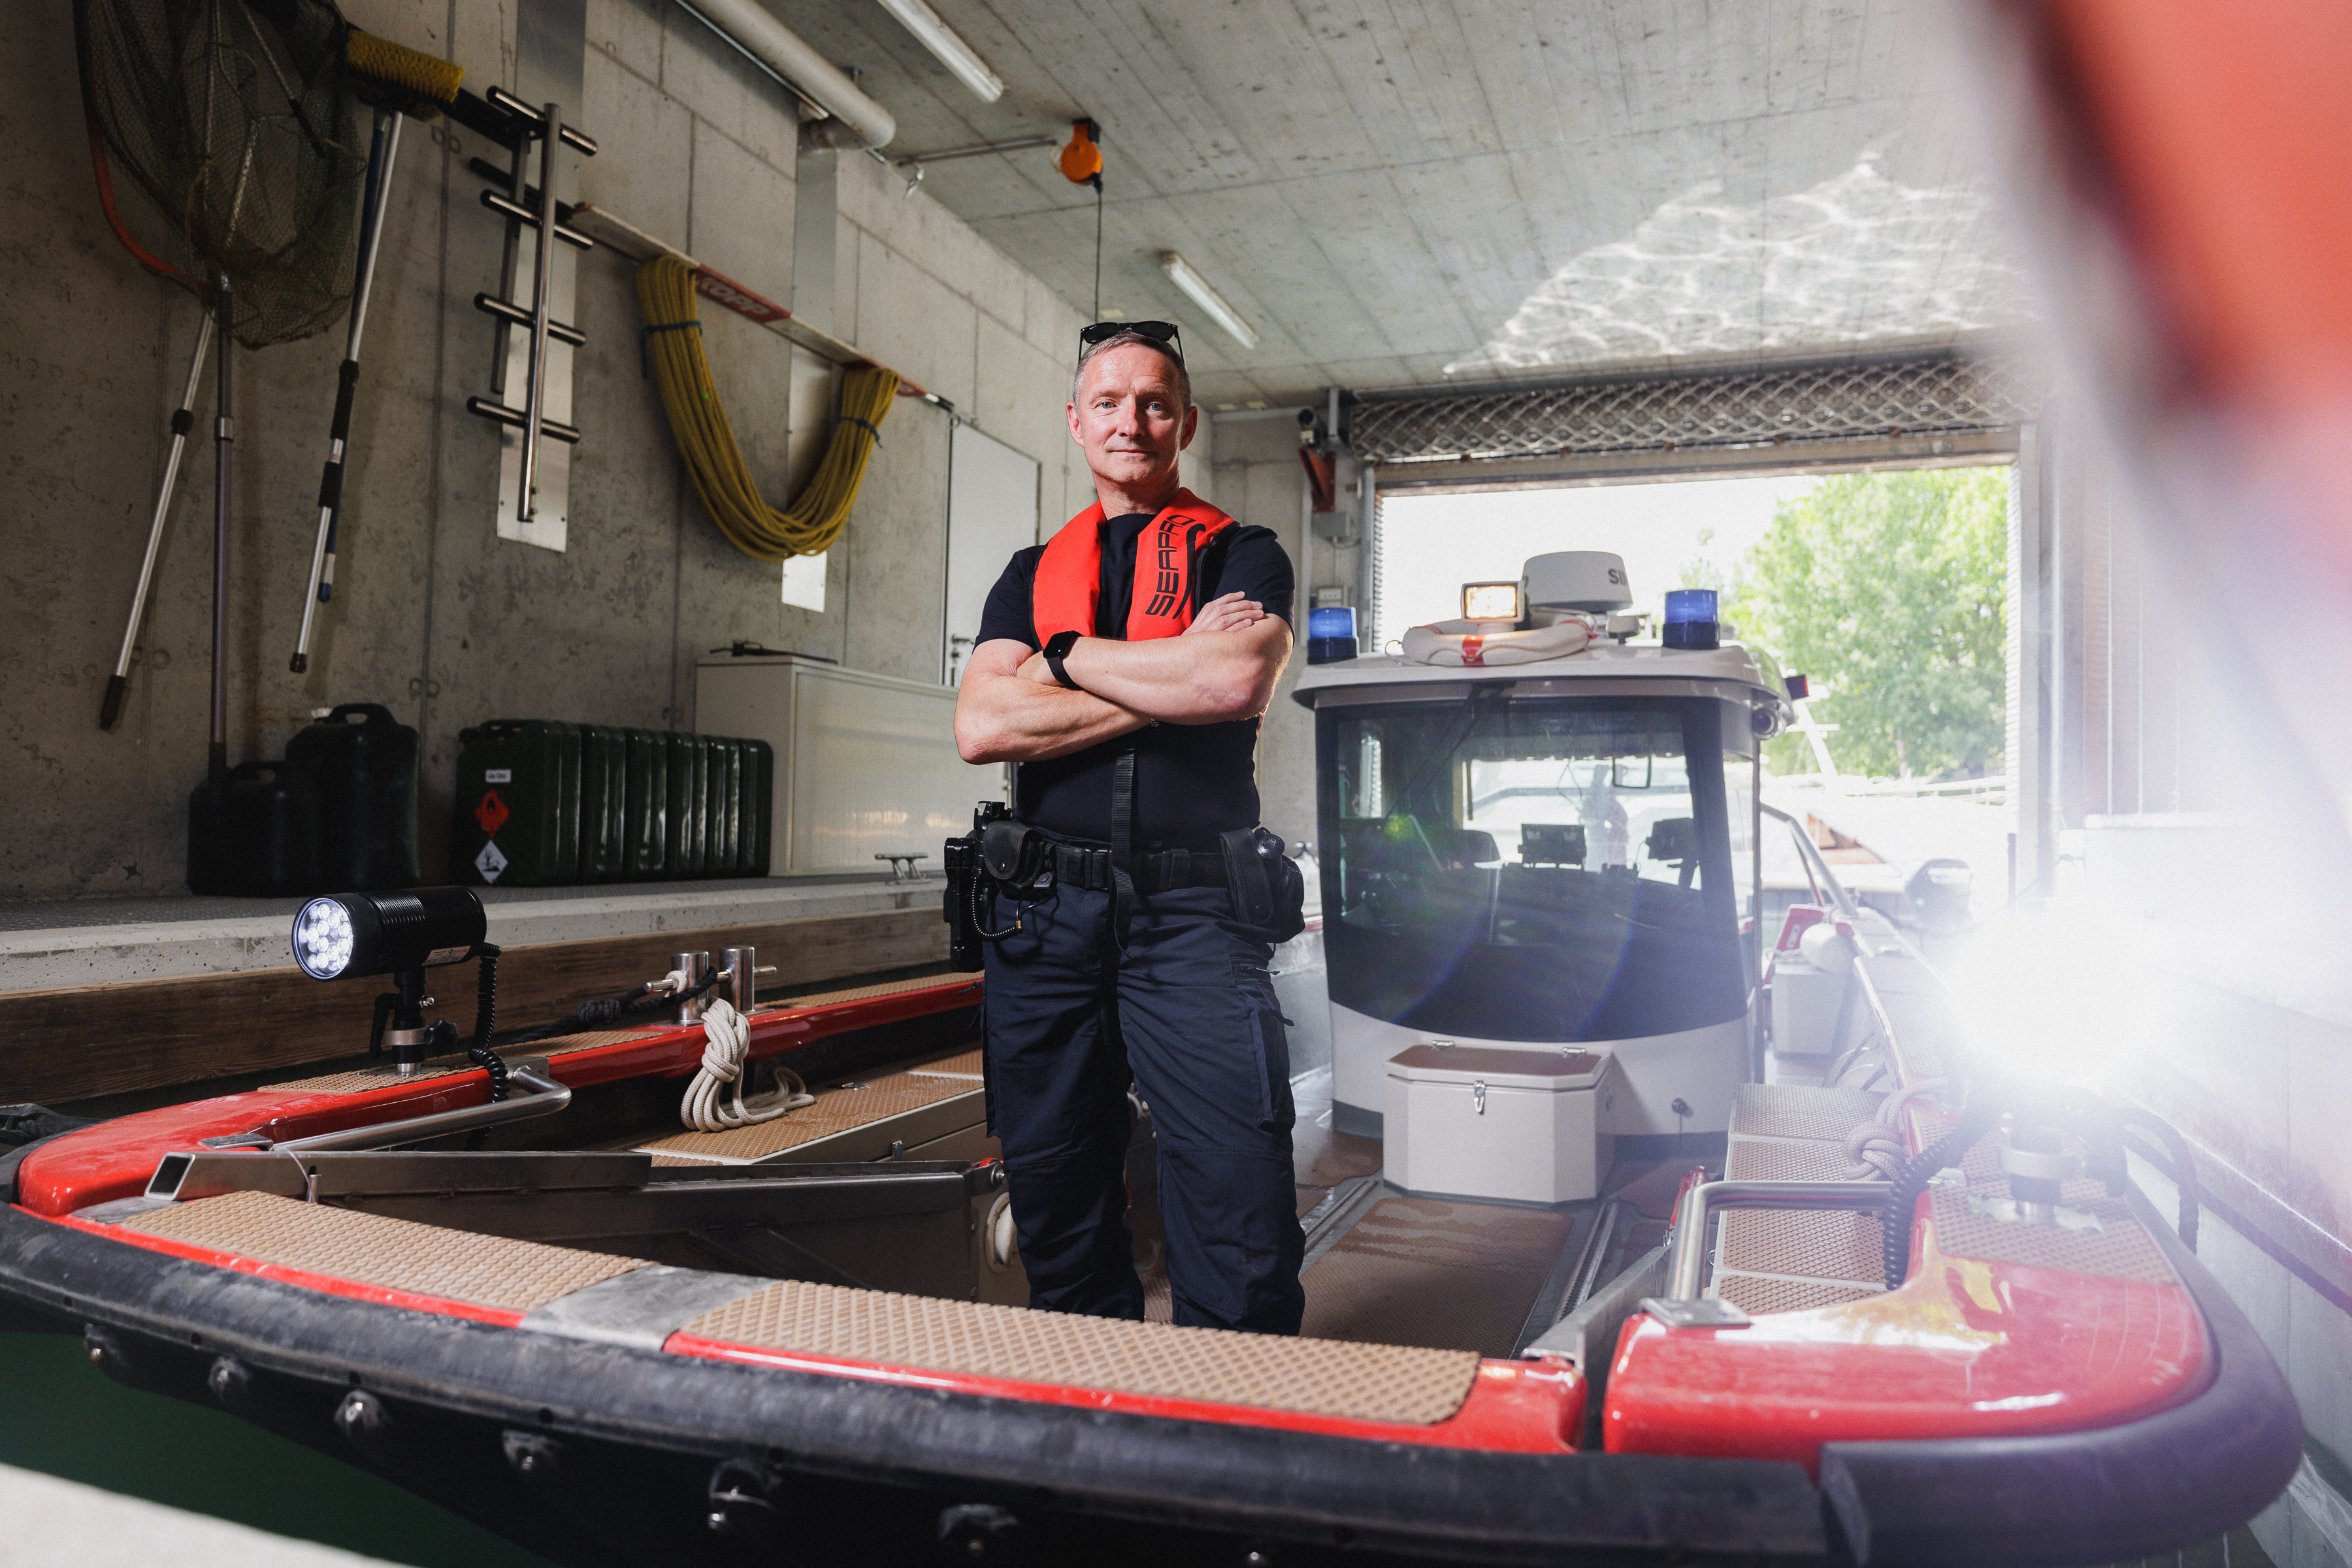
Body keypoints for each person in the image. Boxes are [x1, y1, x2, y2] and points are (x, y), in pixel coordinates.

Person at [953, 320, 1304, 1334]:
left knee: (1236, 1187)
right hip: (1039, 919)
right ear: (1076, 422)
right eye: (1107, 403)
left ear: (1184, 422)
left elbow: (1234, 676)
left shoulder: (1245, 554)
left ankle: (1232, 1423)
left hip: (1193, 912)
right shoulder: (1030, 574)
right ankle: (1086, 1399)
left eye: (1154, 403)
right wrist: (1170, 679)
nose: (1131, 422)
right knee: (1056, 1189)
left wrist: (1055, 661)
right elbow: (983, 724)